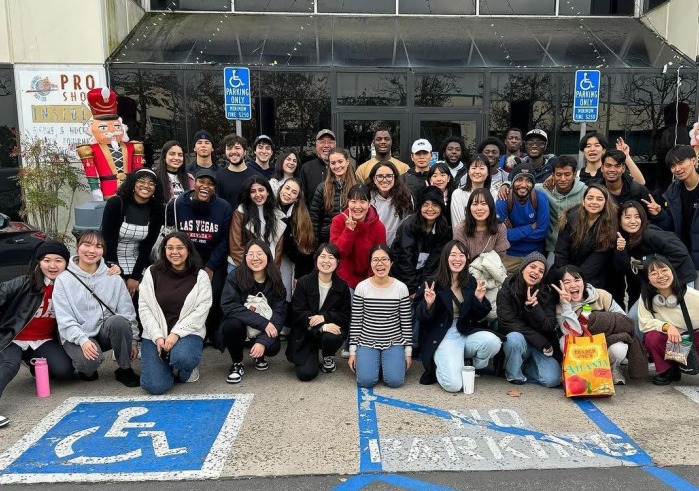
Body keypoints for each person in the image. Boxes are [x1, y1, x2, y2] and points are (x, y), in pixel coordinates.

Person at [0, 241, 76, 427]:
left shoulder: (69, 286)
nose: (52, 265)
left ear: (66, 263)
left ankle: (33, 364)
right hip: (14, 337)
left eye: (59, 260)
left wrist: (112, 269)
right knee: (9, 365)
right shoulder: (24, 283)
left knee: (64, 371)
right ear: (38, 263)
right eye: (46, 260)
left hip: (43, 340)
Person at [53, 232, 140, 387]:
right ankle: (87, 369)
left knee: (119, 321)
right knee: (89, 363)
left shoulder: (112, 276)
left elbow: (127, 310)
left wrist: (133, 340)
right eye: (87, 245)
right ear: (77, 246)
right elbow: (64, 319)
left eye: (98, 246)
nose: (92, 250)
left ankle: (125, 369)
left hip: (105, 331)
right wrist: (83, 340)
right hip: (77, 336)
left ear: (103, 251)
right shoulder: (63, 280)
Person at [415, 240, 501, 390]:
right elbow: (421, 317)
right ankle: (440, 364)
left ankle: (469, 364)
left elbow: (478, 316)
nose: (457, 259)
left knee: (493, 342)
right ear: (445, 257)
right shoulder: (432, 282)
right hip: (443, 335)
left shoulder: (470, 281)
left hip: (465, 331)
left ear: (467, 258)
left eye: (462, 255)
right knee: (454, 385)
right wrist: (428, 304)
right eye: (453, 255)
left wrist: (479, 299)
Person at [138, 232, 212, 394]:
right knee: (156, 387)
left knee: (183, 358)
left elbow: (201, 311)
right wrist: (158, 336)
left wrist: (175, 334)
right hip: (154, 334)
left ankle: (185, 369)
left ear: (189, 250)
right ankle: (165, 366)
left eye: (180, 248)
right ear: (164, 250)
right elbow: (144, 308)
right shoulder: (152, 272)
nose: (174, 252)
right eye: (170, 248)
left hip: (187, 333)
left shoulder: (200, 276)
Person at [167, 168, 232, 345]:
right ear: (194, 183)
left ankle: (212, 330)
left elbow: (225, 240)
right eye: (201, 182)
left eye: (210, 184)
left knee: (215, 291)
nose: (205, 186)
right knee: (187, 294)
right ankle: (190, 331)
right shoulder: (178, 204)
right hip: (185, 260)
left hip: (213, 261)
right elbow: (170, 235)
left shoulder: (223, 207)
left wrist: (210, 266)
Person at [553, 265, 647, 386]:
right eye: (567, 282)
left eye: (577, 280)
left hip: (605, 337)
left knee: (619, 349)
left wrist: (596, 321)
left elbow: (625, 320)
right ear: (560, 286)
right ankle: (580, 371)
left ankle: (614, 369)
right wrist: (566, 305)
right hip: (580, 343)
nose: (573, 285)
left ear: (583, 281)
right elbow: (572, 333)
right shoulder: (559, 306)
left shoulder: (601, 295)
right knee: (564, 342)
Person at [220, 240, 287, 384]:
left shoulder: (275, 279)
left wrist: (263, 342)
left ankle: (259, 354)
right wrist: (263, 323)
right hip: (243, 324)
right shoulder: (235, 276)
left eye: (259, 254)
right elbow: (229, 306)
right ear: (245, 257)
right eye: (250, 254)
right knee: (232, 325)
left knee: (273, 346)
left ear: (268, 256)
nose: (255, 258)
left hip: (263, 327)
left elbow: (280, 311)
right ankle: (237, 363)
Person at [614, 201, 694, 315]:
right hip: (655, 285)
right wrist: (620, 250)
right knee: (634, 316)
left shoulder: (649, 233)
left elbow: (680, 252)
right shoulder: (624, 239)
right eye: (627, 217)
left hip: (680, 279)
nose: (633, 221)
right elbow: (622, 267)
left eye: (637, 217)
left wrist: (656, 270)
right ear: (620, 221)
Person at [348, 245, 412, 388]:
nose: (380, 264)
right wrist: (353, 351)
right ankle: (377, 363)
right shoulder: (362, 287)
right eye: (375, 260)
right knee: (365, 381)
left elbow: (406, 323)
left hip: (394, 341)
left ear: (391, 263)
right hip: (367, 341)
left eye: (384, 259)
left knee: (395, 381)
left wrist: (407, 352)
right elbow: (356, 322)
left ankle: (387, 362)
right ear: (370, 264)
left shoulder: (401, 288)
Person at [286, 243, 351, 381]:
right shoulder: (304, 283)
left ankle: (328, 355)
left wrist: (325, 317)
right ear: (316, 260)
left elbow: (345, 315)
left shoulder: (342, 286)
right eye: (323, 256)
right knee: (306, 374)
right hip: (306, 331)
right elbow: (298, 313)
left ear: (337, 262)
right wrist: (322, 326)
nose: (326, 261)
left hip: (329, 333)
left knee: (331, 337)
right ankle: (311, 352)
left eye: (331, 257)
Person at [497, 252, 561, 387]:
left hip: (538, 347)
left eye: (541, 271)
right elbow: (508, 323)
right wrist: (541, 342)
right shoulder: (506, 290)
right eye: (532, 267)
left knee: (553, 379)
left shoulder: (547, 293)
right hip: (525, 343)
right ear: (523, 268)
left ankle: (525, 367)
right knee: (514, 338)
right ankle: (513, 374)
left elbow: (549, 326)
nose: (536, 272)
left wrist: (535, 308)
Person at [101, 168, 166, 297]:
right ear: (132, 184)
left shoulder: (157, 210)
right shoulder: (116, 203)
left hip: (138, 262)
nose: (146, 186)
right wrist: (115, 269)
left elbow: (148, 245)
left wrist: (135, 277)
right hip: (111, 261)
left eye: (151, 183)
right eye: (141, 181)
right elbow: (108, 240)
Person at [638, 255, 699, 385]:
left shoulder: (693, 296)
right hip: (670, 340)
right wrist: (667, 326)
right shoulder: (646, 298)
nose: (660, 276)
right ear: (648, 279)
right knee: (651, 337)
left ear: (672, 271)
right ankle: (669, 370)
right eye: (654, 273)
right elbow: (644, 323)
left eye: (664, 270)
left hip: (693, 340)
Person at [77, 87, 144, 201]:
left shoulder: (133, 147)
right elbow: (90, 170)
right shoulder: (90, 149)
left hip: (131, 191)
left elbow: (138, 170)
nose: (112, 131)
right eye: (103, 127)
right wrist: (95, 189)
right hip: (108, 191)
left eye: (117, 126)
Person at [553, 184, 617, 291]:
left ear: (605, 203)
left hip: (593, 276)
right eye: (590, 198)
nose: (594, 202)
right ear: (583, 201)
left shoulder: (611, 225)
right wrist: (565, 277)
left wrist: (576, 281)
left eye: (599, 199)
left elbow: (597, 261)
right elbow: (561, 252)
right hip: (566, 271)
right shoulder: (571, 218)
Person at [391, 186, 452, 297]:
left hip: (424, 277)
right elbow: (405, 258)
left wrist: (424, 286)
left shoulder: (442, 227)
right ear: (420, 207)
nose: (430, 209)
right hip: (402, 276)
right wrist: (412, 289)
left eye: (435, 205)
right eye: (425, 205)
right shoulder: (408, 226)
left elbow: (435, 260)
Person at [330, 184, 387, 291]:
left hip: (369, 281)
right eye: (353, 201)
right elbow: (336, 254)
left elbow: (379, 258)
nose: (357, 206)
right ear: (348, 202)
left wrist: (370, 284)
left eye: (362, 201)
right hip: (343, 280)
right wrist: (349, 230)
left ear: (369, 204)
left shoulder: (378, 227)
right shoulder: (338, 221)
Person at [275, 178, 316, 328]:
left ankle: (298, 325)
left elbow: (306, 249)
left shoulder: (301, 214)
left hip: (299, 258)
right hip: (280, 256)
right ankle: (284, 324)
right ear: (281, 189)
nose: (288, 194)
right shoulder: (271, 207)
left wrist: (299, 273)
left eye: (294, 192)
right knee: (283, 289)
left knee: (296, 288)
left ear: (297, 197)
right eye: (287, 189)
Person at [655, 145, 699, 285]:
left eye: (681, 163)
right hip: (684, 260)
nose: (677, 169)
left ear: (693, 160)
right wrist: (659, 213)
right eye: (673, 165)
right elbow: (671, 227)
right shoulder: (674, 190)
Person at [495, 162, 549, 274]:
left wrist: (513, 231)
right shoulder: (503, 200)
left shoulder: (540, 199)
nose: (524, 185)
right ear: (512, 182)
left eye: (528, 181)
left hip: (534, 255)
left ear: (533, 184)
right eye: (519, 179)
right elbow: (501, 235)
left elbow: (542, 232)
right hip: (509, 255)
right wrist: (530, 227)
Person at [535, 156, 586, 261]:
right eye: (558, 175)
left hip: (577, 248)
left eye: (567, 175)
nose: (563, 179)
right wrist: (506, 185)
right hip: (551, 248)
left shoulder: (585, 192)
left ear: (575, 175)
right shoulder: (543, 189)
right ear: (552, 175)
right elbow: (523, 185)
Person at [229, 176, 286, 269]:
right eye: (253, 191)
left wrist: (271, 271)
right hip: (241, 267)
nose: (258, 194)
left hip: (268, 269)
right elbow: (236, 249)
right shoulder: (240, 213)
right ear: (248, 194)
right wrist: (255, 270)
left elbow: (277, 251)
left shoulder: (278, 215)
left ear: (267, 192)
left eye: (261, 190)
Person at [310, 148, 358, 245]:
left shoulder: (356, 187)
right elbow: (314, 219)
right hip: (328, 241)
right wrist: (317, 245)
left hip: (352, 239)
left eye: (340, 161)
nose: (337, 166)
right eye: (333, 163)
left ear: (347, 162)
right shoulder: (322, 188)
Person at [453, 188, 509, 261]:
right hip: (466, 270)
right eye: (475, 204)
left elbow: (500, 258)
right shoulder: (461, 228)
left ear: (491, 206)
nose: (479, 208)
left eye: (484, 203)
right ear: (469, 208)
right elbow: (459, 258)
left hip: (492, 269)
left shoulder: (500, 227)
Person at [367, 161, 413, 246]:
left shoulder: (406, 196)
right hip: (374, 248)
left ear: (395, 178)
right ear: (374, 179)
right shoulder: (367, 197)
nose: (384, 180)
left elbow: (408, 226)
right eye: (380, 176)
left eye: (389, 176)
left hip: (398, 247)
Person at [578, 132, 645, 186]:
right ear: (583, 151)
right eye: (588, 146)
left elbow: (640, 182)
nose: (592, 149)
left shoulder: (614, 171)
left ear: (604, 150)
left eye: (597, 145)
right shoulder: (577, 176)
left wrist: (626, 156)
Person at [450, 154, 497, 227]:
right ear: (468, 171)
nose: (477, 171)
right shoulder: (458, 194)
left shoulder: (494, 194)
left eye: (481, 168)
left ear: (488, 172)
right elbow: (457, 225)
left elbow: (494, 222)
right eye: (474, 168)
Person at [216, 134, 258, 212]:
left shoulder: (256, 177)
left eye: (237, 148)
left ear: (245, 152)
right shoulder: (218, 177)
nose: (233, 152)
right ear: (225, 152)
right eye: (229, 148)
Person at [300, 129, 337, 208]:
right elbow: (303, 199)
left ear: (335, 145)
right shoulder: (306, 168)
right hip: (313, 218)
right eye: (322, 142)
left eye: (330, 142)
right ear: (316, 145)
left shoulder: (342, 167)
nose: (326, 145)